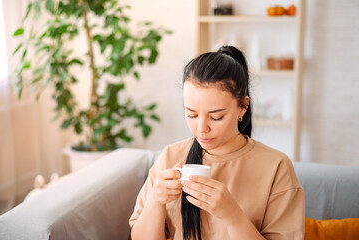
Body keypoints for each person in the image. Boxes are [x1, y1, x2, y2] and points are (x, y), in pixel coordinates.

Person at [129, 46, 305, 240]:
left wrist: (232, 215)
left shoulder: (276, 168)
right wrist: (155, 201)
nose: (201, 128)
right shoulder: (170, 157)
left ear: (242, 107)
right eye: (191, 114)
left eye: (216, 117)